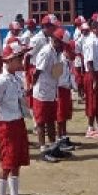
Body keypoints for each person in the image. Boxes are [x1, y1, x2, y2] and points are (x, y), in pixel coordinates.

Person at [0, 40, 32, 195]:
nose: (21, 62)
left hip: (17, 121)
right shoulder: (1, 81)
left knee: (17, 161)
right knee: (7, 163)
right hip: (6, 124)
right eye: (18, 58)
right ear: (9, 60)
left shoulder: (15, 79)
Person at [31, 27, 68, 162]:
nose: (63, 47)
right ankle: (43, 149)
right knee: (41, 122)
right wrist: (32, 87)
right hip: (41, 92)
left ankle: (53, 147)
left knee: (51, 120)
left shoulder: (57, 52)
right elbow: (37, 71)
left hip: (51, 91)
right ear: (55, 41)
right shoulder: (46, 52)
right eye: (61, 44)